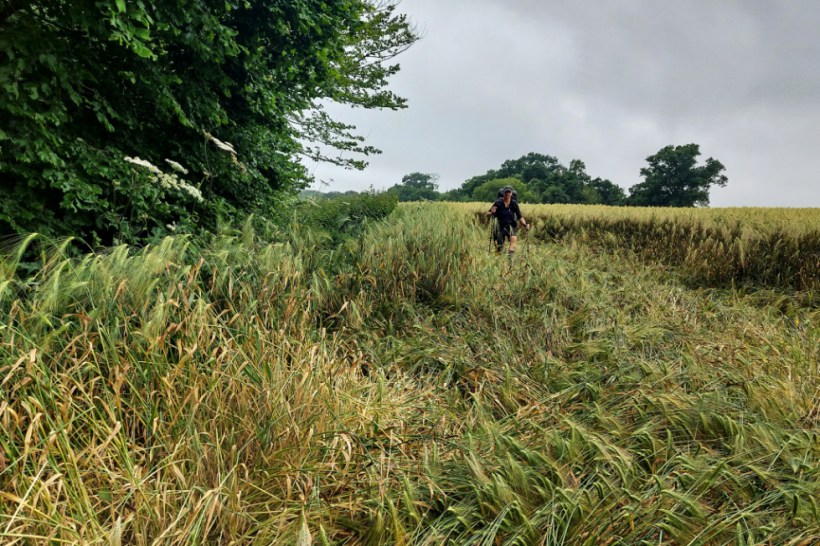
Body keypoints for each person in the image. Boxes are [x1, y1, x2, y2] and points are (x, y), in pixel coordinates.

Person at [486, 186, 529, 259]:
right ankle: (499, 260)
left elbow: (520, 216)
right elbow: (488, 214)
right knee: (499, 248)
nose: (508, 194)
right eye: (506, 192)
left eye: (509, 192)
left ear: (511, 193)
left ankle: (510, 259)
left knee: (513, 239)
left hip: (511, 226)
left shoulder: (514, 203)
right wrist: (492, 213)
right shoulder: (498, 203)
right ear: (503, 193)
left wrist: (525, 225)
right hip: (500, 227)